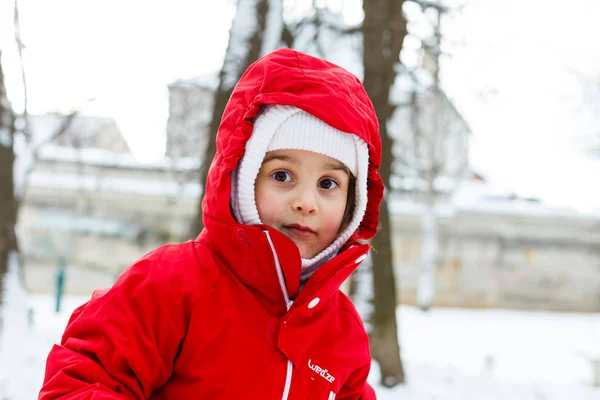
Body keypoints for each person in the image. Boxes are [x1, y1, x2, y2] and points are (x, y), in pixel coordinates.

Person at [39, 48, 384, 400]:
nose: (306, 203)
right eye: (282, 175)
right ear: (242, 180)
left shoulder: (341, 330)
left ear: (353, 203)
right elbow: (80, 381)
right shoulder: (170, 285)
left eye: (328, 184)